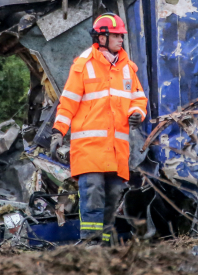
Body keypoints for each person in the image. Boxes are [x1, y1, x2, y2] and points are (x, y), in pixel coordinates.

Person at [48, 13, 147, 245]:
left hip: (117, 150)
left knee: (112, 197)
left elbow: (139, 99)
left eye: (121, 35)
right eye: (116, 35)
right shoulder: (83, 65)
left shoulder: (127, 68)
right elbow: (68, 102)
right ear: (101, 37)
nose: (121, 39)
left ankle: (103, 244)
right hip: (90, 148)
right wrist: (58, 132)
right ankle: (90, 241)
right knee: (93, 193)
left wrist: (137, 113)